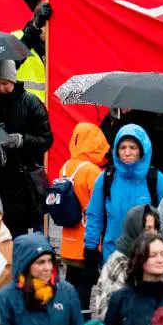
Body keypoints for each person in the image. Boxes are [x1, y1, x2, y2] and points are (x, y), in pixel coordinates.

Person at [0, 60, 52, 236]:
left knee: (19, 235)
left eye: (5, 84)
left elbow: (46, 139)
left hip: (22, 183)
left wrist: (23, 141)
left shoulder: (31, 103)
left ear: (13, 82)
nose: (0, 89)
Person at [84, 124, 163, 263]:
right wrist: (90, 248)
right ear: (116, 151)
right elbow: (95, 216)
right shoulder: (106, 178)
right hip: (112, 259)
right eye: (122, 148)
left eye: (133, 148)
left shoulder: (156, 180)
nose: (127, 153)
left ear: (142, 150)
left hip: (147, 260)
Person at [0, 233, 82, 325]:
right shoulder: (5, 298)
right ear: (25, 265)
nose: (47, 267)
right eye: (40, 262)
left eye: (50, 261)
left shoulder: (67, 292)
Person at [55, 123, 110, 304]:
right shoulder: (91, 171)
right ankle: (81, 321)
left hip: (68, 240)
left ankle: (70, 319)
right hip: (87, 241)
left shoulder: (66, 167)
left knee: (71, 282)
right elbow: (100, 204)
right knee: (85, 288)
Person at [91, 205, 162, 320]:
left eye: (155, 228)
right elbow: (108, 311)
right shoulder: (119, 263)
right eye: (147, 229)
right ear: (135, 230)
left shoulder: (158, 258)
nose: (153, 235)